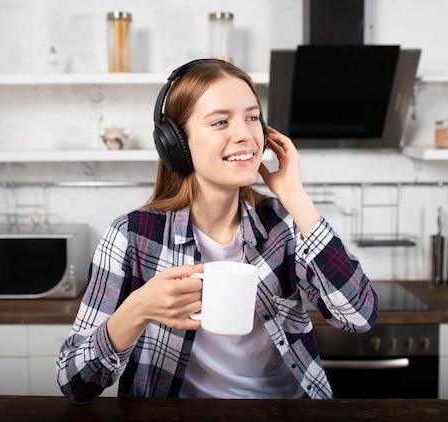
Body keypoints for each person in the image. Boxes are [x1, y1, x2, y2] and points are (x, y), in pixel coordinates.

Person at [56, 58, 377, 402]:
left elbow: (358, 317)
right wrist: (137, 310)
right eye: (221, 121)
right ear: (176, 143)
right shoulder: (131, 236)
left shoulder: (285, 224)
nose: (245, 134)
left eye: (252, 117)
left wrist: (295, 196)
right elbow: (75, 384)